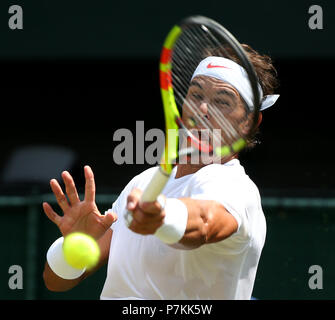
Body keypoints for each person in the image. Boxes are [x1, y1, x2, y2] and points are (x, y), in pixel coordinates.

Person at [42, 44, 279, 299]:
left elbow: (204, 222)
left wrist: (163, 217)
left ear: (250, 122)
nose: (202, 111)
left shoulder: (235, 187)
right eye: (196, 95)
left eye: (222, 101)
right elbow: (55, 282)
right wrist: (72, 248)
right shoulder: (142, 183)